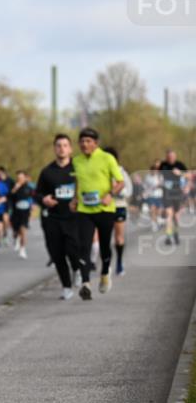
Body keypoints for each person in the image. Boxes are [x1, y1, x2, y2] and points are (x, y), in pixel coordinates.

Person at [72, 127, 124, 298]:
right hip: (84, 210)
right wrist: (74, 199)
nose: (84, 144)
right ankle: (85, 283)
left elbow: (120, 182)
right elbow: (77, 182)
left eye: (88, 141)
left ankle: (104, 274)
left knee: (104, 246)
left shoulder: (107, 158)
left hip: (104, 209)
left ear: (95, 143)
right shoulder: (77, 161)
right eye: (82, 141)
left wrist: (110, 194)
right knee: (83, 246)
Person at [36, 134, 80, 300]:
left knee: (73, 249)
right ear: (55, 149)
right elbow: (37, 193)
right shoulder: (47, 172)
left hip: (73, 217)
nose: (62, 148)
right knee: (57, 254)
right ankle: (66, 287)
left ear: (70, 149)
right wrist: (43, 199)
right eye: (58, 145)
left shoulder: (77, 168)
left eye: (65, 145)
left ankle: (77, 268)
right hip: (53, 218)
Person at [103, 148, 132, 276]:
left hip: (119, 206)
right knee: (105, 238)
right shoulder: (101, 172)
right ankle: (106, 264)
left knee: (119, 237)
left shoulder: (121, 172)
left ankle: (119, 263)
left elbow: (129, 191)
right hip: (103, 207)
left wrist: (116, 191)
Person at [158, 149, 188, 246]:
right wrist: (160, 181)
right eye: (169, 157)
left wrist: (180, 173)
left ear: (175, 157)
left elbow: (189, 175)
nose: (171, 159)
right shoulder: (163, 165)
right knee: (169, 214)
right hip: (166, 193)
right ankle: (168, 236)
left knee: (176, 217)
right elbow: (158, 175)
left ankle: (176, 233)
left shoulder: (180, 165)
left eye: (172, 157)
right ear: (167, 157)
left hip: (177, 193)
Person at [8, 170, 34, 259]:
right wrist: (15, 188)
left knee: (23, 230)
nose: (20, 179)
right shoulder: (14, 187)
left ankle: (23, 249)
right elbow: (9, 197)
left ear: (25, 178)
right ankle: (16, 238)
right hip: (15, 212)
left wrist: (32, 206)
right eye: (18, 178)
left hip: (25, 212)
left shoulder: (29, 187)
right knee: (16, 231)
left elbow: (33, 197)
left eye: (22, 178)